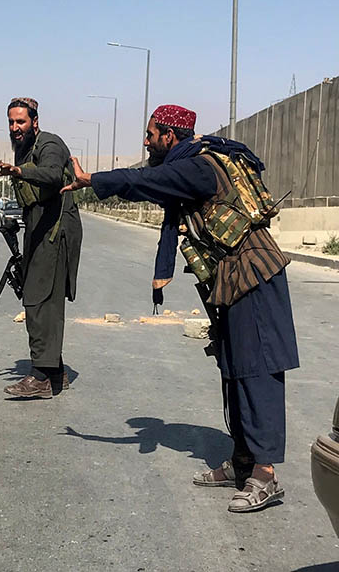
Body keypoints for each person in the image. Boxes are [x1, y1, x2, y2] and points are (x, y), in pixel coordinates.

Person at [62, 104, 299, 513]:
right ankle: (243, 462)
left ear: (170, 135)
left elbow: (147, 180)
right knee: (235, 368)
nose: (146, 141)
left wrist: (91, 180)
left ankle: (265, 474)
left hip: (254, 273)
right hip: (232, 277)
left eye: (151, 134)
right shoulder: (192, 164)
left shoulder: (199, 167)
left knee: (257, 370)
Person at [0, 97, 83, 398]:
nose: (15, 127)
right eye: (11, 122)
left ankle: (41, 376)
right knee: (39, 296)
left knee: (40, 299)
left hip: (56, 229)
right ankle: (55, 373)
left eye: (21, 121)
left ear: (34, 120)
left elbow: (53, 175)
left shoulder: (50, 144)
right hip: (39, 226)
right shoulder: (23, 148)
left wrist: (19, 172)